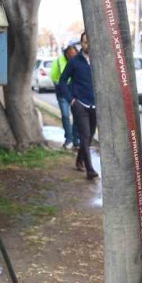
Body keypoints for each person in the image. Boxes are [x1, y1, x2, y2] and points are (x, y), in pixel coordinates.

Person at [59, 32, 98, 180]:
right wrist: (71, 100)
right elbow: (62, 81)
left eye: (90, 41)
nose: (88, 44)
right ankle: (90, 170)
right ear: (81, 43)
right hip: (80, 105)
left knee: (90, 136)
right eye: (85, 42)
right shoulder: (74, 62)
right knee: (84, 135)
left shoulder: (98, 61)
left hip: (95, 105)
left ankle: (79, 159)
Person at [50, 42, 79, 150]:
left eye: (74, 54)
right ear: (66, 53)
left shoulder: (79, 61)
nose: (72, 56)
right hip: (63, 92)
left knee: (77, 116)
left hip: (75, 93)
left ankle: (75, 139)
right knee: (65, 116)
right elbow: (53, 76)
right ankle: (69, 139)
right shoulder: (58, 61)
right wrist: (62, 83)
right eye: (70, 54)